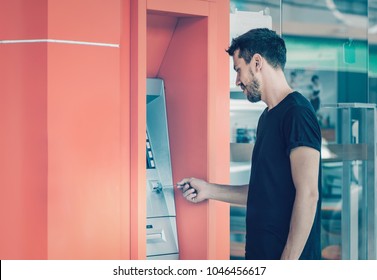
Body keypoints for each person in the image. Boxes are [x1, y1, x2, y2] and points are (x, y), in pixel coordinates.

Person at [177, 28, 322, 260]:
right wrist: (209, 189)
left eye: (238, 70)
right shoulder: (267, 117)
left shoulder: (297, 113)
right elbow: (264, 193)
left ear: (257, 63)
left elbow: (308, 194)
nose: (237, 81)